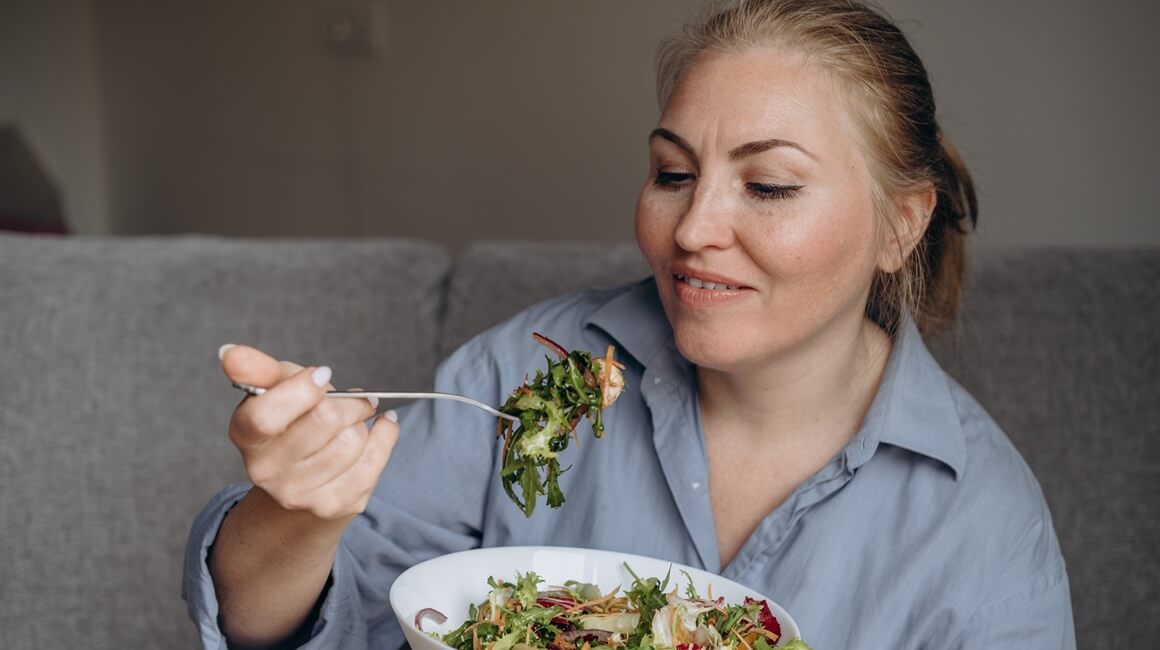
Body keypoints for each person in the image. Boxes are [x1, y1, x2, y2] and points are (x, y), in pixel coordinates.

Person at [184, 0, 1075, 647]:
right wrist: (298, 513)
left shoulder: (981, 519)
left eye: (767, 186)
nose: (692, 231)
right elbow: (314, 628)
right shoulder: (521, 378)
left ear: (901, 223)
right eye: (672, 174)